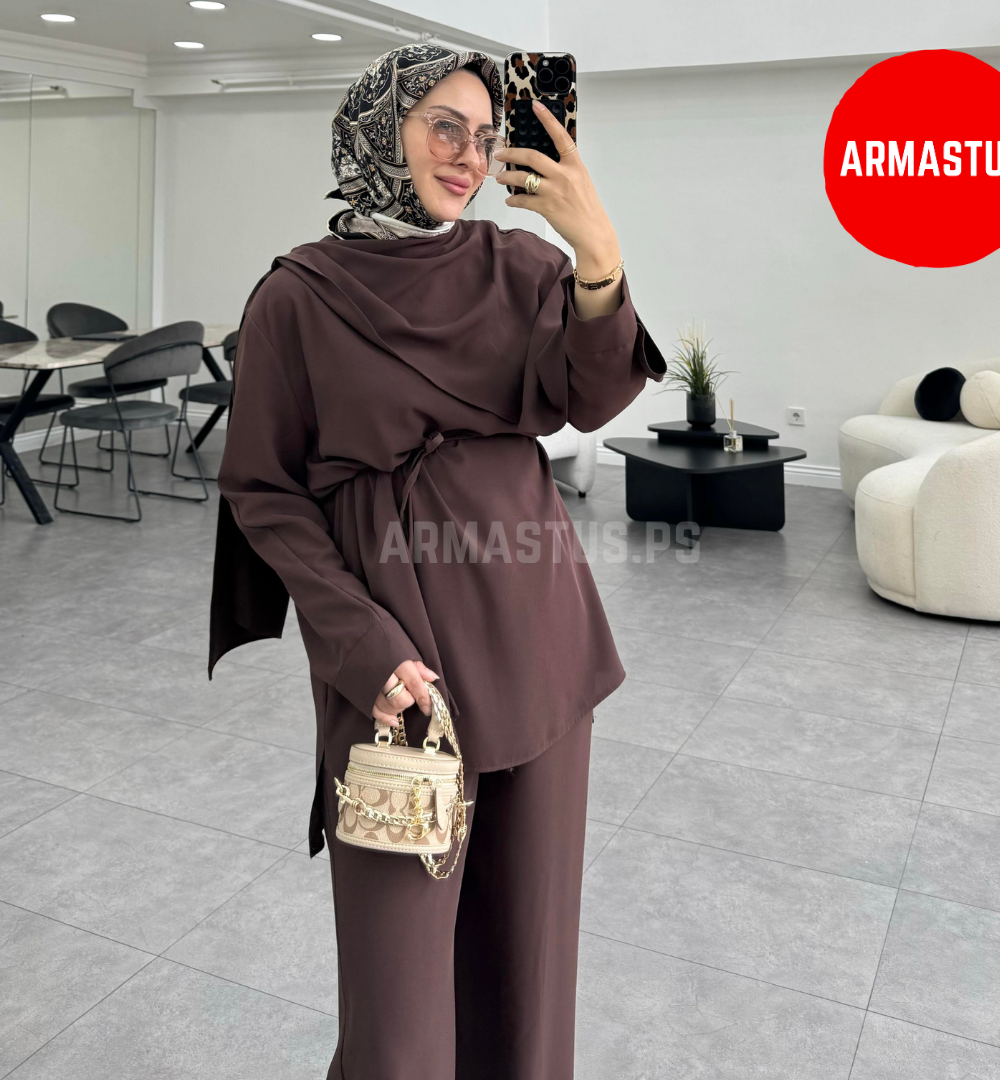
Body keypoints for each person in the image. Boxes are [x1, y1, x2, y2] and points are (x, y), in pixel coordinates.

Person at [208, 43, 666, 1080]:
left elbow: (593, 396)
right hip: (395, 666)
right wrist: (359, 645)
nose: (469, 155)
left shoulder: (523, 266)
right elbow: (264, 490)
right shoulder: (297, 296)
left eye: (485, 136)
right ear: (382, 128)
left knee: (526, 973)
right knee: (400, 1009)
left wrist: (598, 251)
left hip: (539, 643)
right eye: (443, 127)